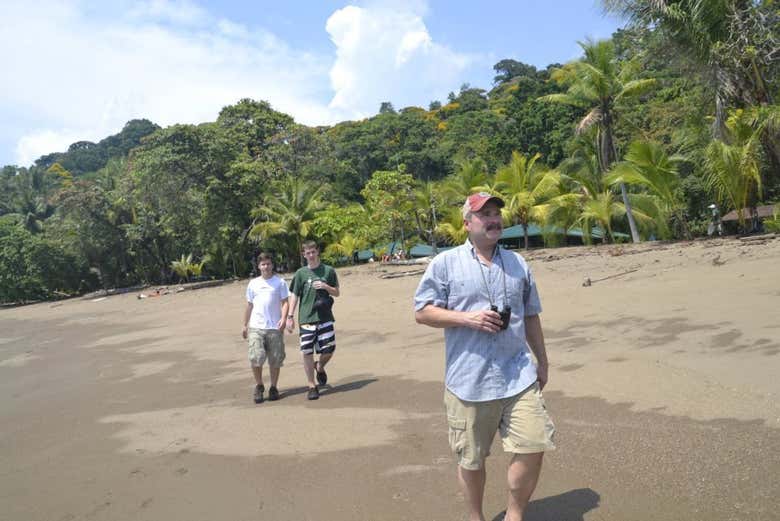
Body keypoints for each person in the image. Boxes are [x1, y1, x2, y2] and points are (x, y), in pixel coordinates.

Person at [414, 192, 555, 521]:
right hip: (469, 381)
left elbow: (530, 315)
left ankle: (515, 515)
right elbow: (422, 312)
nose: (493, 219)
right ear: (467, 223)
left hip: (518, 375)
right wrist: (468, 318)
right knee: (472, 460)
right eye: (484, 214)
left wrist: (543, 362)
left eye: (496, 214)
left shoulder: (518, 263)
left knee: (534, 444)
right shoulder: (445, 263)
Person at [286, 240, 340, 400]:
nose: (311, 255)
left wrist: (326, 287)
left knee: (329, 350)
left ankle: (320, 366)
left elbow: (337, 292)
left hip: (325, 316)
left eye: (313, 252)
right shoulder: (300, 273)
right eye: (307, 253)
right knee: (307, 351)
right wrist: (290, 316)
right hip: (306, 318)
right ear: (304, 255)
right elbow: (294, 295)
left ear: (318, 252)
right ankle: (311, 385)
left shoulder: (328, 270)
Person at [242, 253, 289, 403]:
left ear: (272, 265)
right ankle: (259, 385)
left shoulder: (280, 283)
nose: (266, 267)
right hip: (256, 326)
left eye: (268, 264)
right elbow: (249, 305)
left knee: (275, 359)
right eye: (263, 264)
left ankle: (273, 387)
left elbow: (285, 302)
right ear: (258, 266)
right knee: (256, 357)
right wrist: (244, 325)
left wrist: (284, 318)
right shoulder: (253, 284)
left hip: (275, 327)